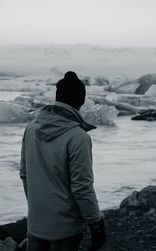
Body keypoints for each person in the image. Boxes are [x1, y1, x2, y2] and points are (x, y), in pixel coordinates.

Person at [20, 71, 106, 251]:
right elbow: (82, 187)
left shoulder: (31, 129)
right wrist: (96, 222)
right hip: (65, 229)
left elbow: (25, 174)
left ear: (57, 97)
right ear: (81, 100)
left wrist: (37, 208)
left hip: (36, 223)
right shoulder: (78, 137)